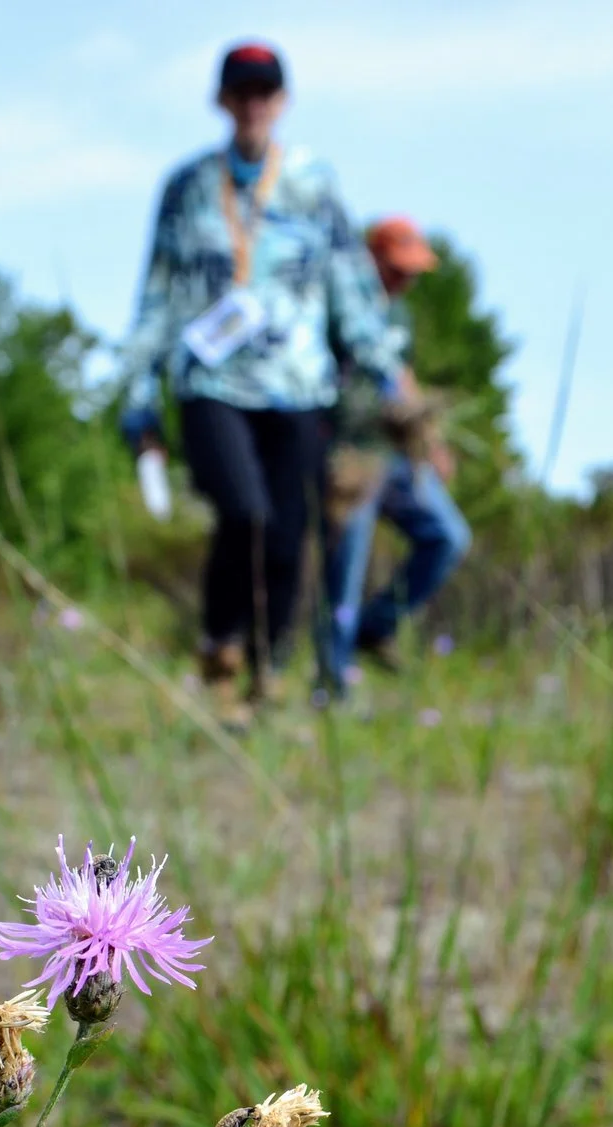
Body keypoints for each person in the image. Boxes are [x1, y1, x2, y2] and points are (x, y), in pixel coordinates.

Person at [118, 41, 405, 722]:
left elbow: (352, 288)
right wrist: (138, 392)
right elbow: (156, 294)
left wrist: (390, 376)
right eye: (241, 91)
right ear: (222, 100)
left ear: (282, 101)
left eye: (265, 92)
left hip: (299, 387)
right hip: (211, 381)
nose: (253, 104)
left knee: (287, 532)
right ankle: (220, 650)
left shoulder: (312, 183)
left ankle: (267, 664)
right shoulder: (187, 187)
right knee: (242, 512)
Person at [318, 216, 472, 686]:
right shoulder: (334, 311)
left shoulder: (398, 317)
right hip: (348, 455)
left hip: (396, 457)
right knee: (346, 567)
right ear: (370, 261)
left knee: (446, 537)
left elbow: (399, 376)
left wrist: (432, 443)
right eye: (396, 270)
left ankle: (376, 625)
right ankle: (334, 681)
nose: (404, 281)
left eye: (411, 272)